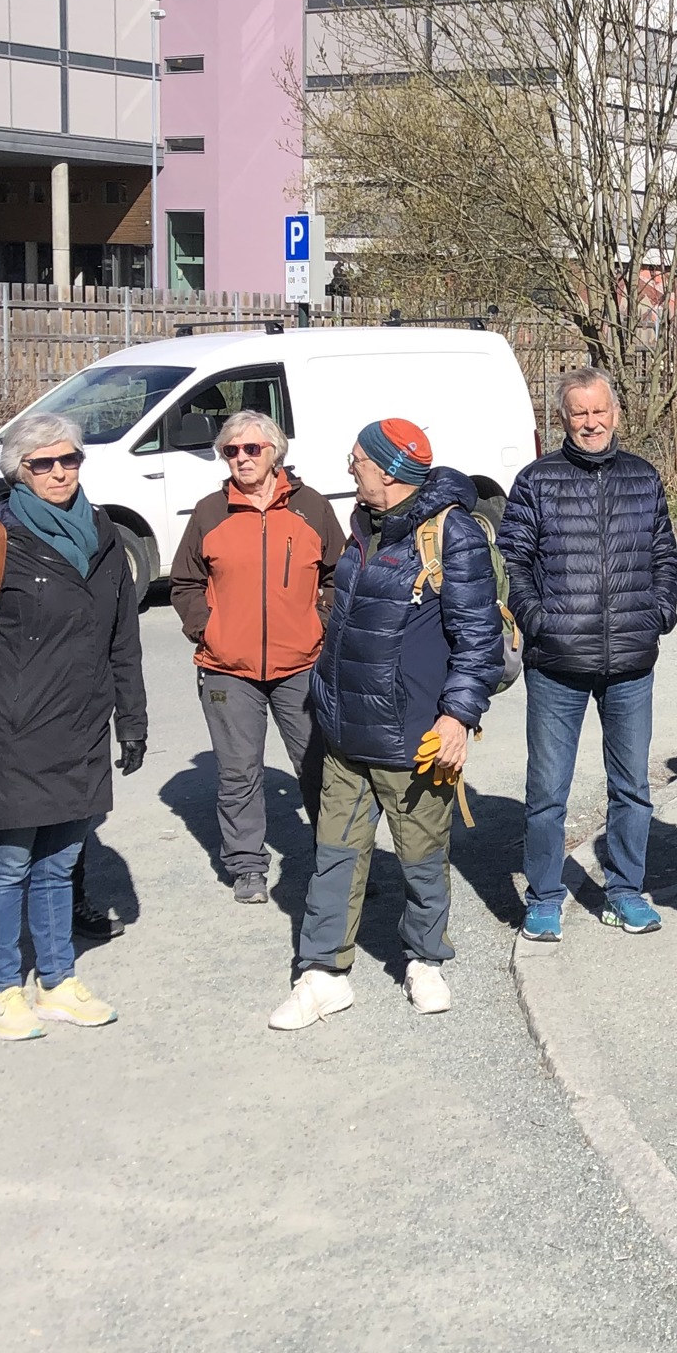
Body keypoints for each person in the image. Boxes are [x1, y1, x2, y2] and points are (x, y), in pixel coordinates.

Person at [271, 419, 503, 1030]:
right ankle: (322, 975)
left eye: (358, 460)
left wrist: (457, 717)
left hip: (414, 735)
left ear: (390, 470)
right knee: (333, 856)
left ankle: (425, 961)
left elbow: (477, 639)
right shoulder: (362, 524)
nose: (350, 469)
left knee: (421, 858)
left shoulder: (452, 533)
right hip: (346, 732)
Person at [0, 413, 147, 1043]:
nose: (59, 472)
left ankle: (56, 981)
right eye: (42, 463)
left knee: (61, 863)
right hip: (11, 732)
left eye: (69, 459)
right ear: (18, 472)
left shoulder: (103, 534)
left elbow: (123, 637)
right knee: (7, 865)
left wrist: (131, 718)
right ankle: (3, 989)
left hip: (82, 728)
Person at [498, 366, 677, 941]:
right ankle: (544, 897)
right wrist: (538, 621)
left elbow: (664, 554)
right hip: (557, 664)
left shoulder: (643, 477)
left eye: (599, 410)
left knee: (632, 789)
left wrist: (659, 612)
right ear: (563, 418)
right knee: (547, 793)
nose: (591, 422)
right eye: (579, 412)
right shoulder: (537, 480)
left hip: (631, 662)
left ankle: (625, 891)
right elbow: (512, 561)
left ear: (616, 414)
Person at [168, 409, 344, 905]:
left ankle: (336, 866)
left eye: (251, 449)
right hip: (228, 669)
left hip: (301, 664)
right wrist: (207, 629)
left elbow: (339, 573)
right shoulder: (210, 512)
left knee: (319, 768)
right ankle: (247, 866)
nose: (241, 458)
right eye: (231, 451)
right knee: (238, 773)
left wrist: (321, 623)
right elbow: (184, 582)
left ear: (275, 452)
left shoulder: (311, 507)